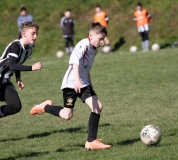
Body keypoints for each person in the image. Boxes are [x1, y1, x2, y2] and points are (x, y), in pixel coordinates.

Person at [30, 22, 111, 150]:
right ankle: (44, 107)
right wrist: (77, 81)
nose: (101, 42)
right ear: (91, 36)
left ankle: (91, 141)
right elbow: (74, 60)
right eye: (100, 39)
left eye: (103, 39)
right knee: (67, 115)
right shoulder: (84, 44)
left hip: (83, 84)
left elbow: (86, 68)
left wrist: (89, 82)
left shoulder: (94, 51)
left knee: (98, 106)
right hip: (71, 84)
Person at [0, 22, 43, 118]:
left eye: (36, 34)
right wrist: (31, 68)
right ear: (24, 33)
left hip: (5, 81)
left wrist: (18, 78)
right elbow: (12, 65)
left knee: (15, 106)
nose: (35, 36)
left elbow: (17, 64)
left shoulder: (29, 49)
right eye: (33, 33)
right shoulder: (15, 46)